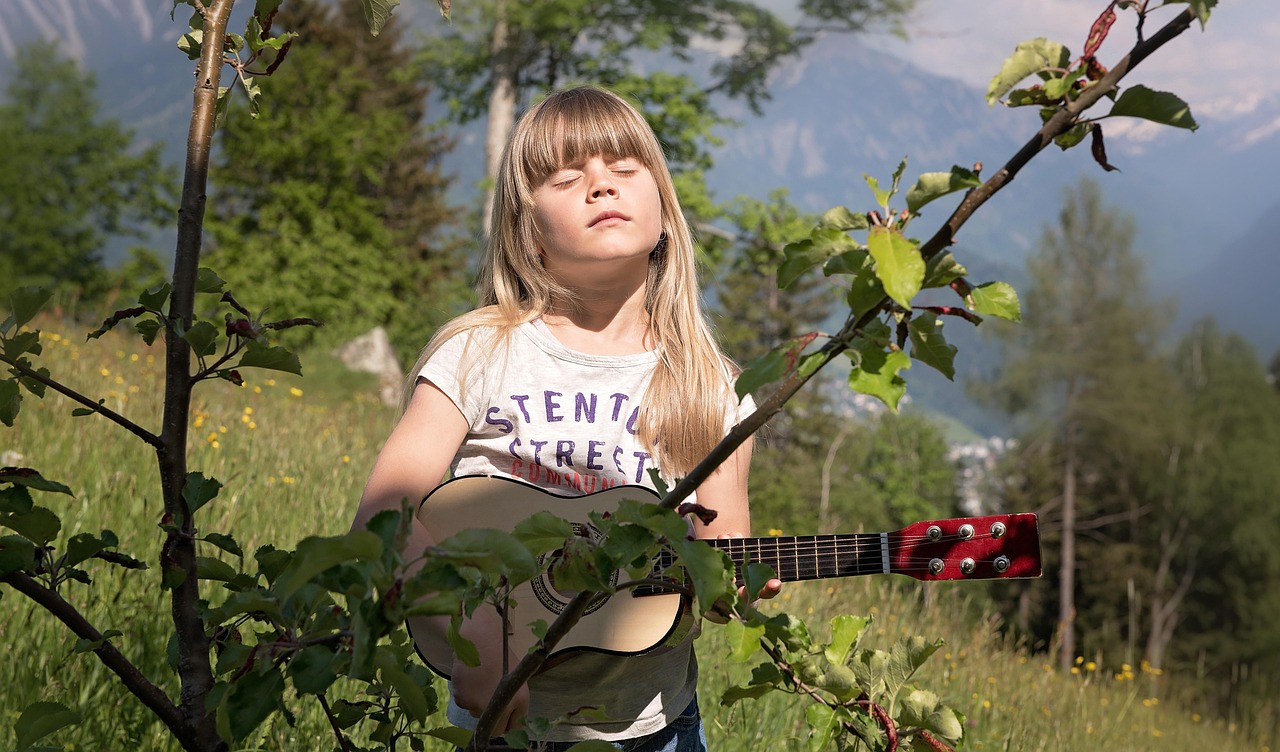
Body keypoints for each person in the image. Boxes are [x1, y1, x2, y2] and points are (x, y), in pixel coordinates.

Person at [352, 84, 780, 751]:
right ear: (529, 234)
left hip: (654, 732)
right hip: (503, 727)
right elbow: (384, 520)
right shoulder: (480, 352)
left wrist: (739, 583)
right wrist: (469, 642)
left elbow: (720, 573)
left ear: (664, 214)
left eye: (625, 171)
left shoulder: (713, 388)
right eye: (567, 177)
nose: (602, 187)